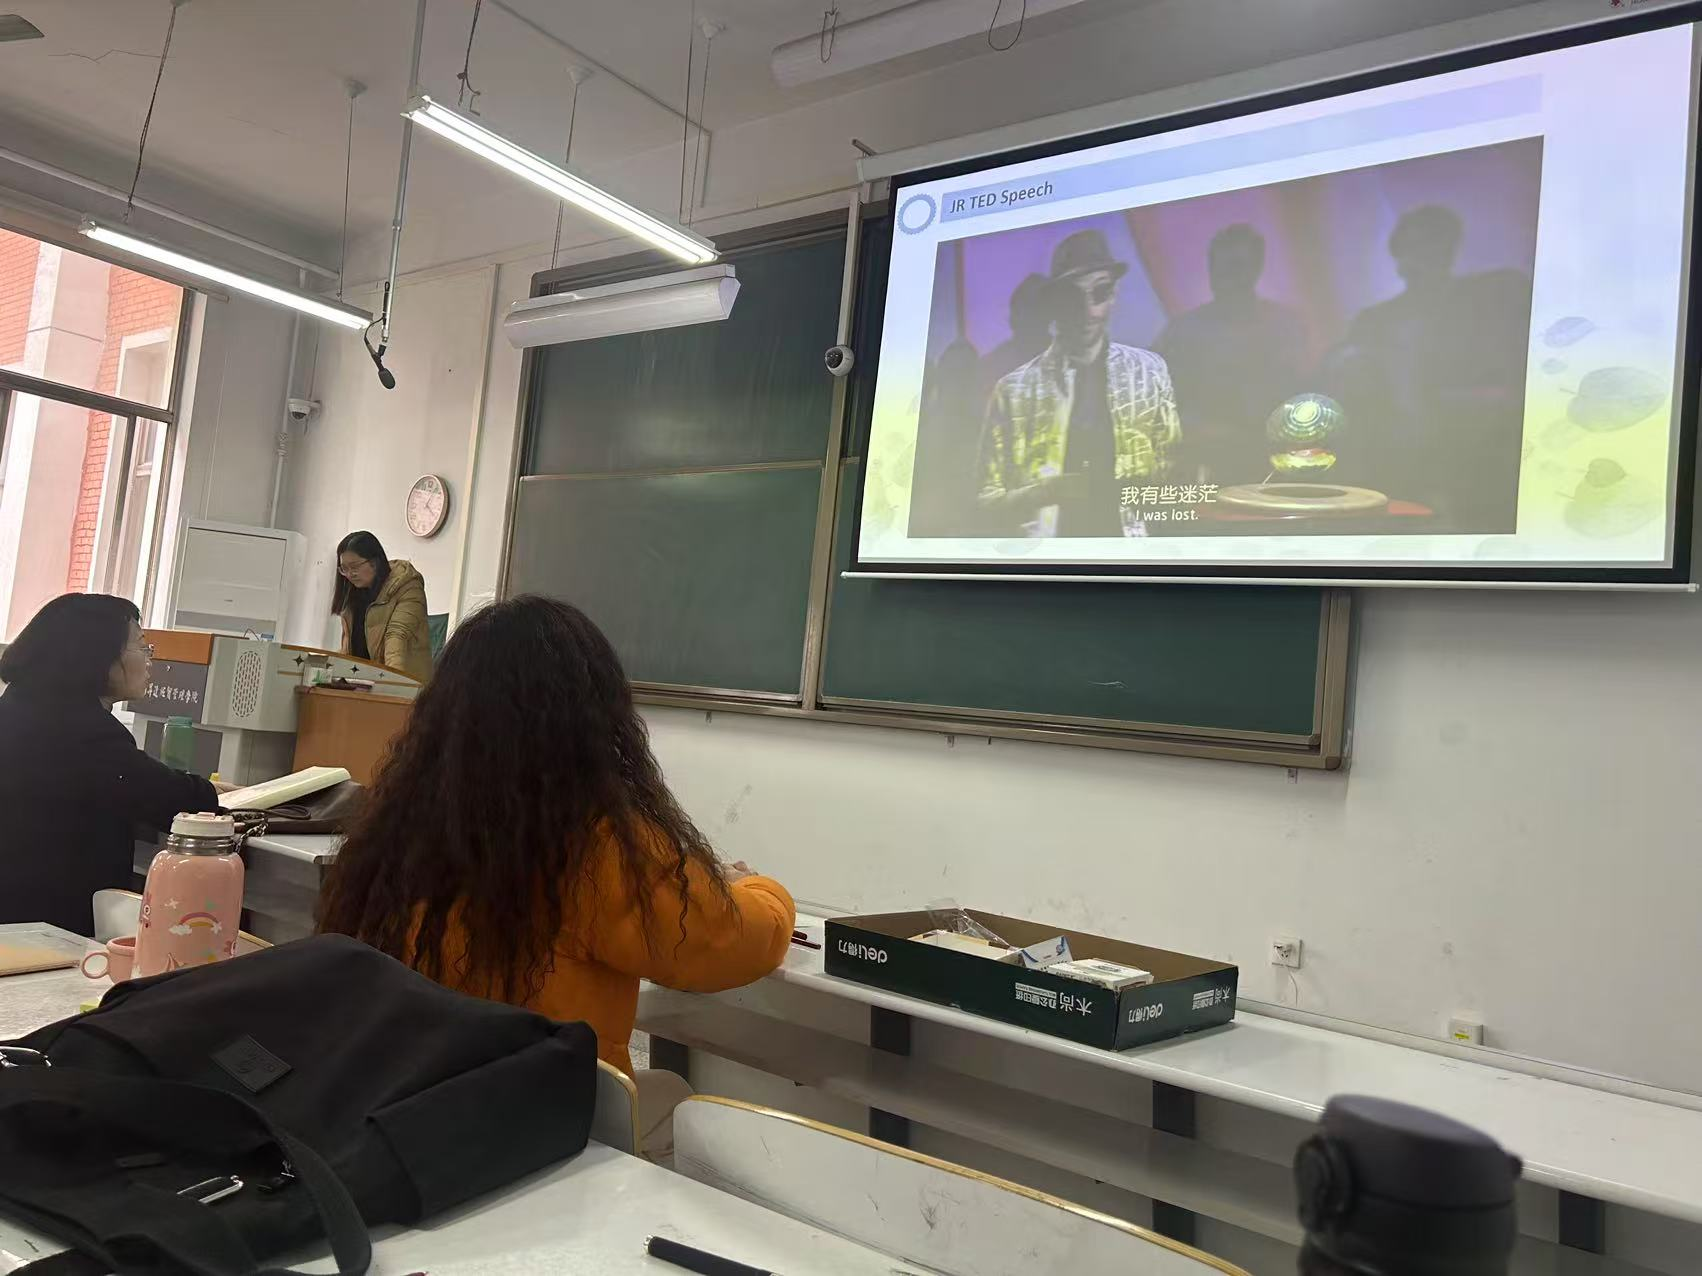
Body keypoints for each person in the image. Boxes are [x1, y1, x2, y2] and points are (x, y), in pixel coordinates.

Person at [316, 594, 796, 1082]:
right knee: (667, 1089)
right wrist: (758, 889)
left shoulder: (399, 826)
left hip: (413, 1095)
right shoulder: (596, 844)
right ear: (593, 718)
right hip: (539, 1110)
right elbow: (730, 944)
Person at [0, 594, 218, 934]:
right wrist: (221, 792)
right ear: (97, 654)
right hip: (43, 929)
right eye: (142, 646)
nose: (149, 659)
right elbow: (178, 801)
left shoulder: (19, 705)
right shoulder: (82, 729)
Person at [979, 228, 1181, 537]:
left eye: (1100, 292)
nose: (1088, 311)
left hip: (1133, 557)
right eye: (1071, 297)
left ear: (1113, 295)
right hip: (1044, 561)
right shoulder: (1013, 391)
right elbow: (985, 502)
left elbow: (1173, 476)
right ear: (1055, 304)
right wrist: (1044, 493)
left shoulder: (1150, 372)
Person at [1153, 223, 1305, 483]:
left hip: (1268, 464)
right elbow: (1156, 398)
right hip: (1199, 462)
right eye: (1218, 267)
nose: (1225, 277)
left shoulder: (1285, 326)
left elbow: (1295, 401)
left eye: (1236, 267)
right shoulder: (1183, 330)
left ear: (1256, 269)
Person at [332, 531, 432, 682]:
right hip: (362, 682)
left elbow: (396, 639)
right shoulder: (354, 597)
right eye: (344, 569)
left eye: (354, 566)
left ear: (375, 562)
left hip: (405, 682)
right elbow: (349, 650)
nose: (349, 574)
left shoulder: (408, 587)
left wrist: (391, 684)